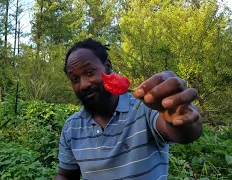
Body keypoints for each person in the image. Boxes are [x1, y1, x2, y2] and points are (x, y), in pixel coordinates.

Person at [55, 38, 203, 180]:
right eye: (75, 79)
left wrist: (181, 116)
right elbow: (66, 175)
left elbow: (186, 134)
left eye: (89, 72)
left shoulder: (145, 108)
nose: (84, 84)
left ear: (107, 66)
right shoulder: (71, 127)